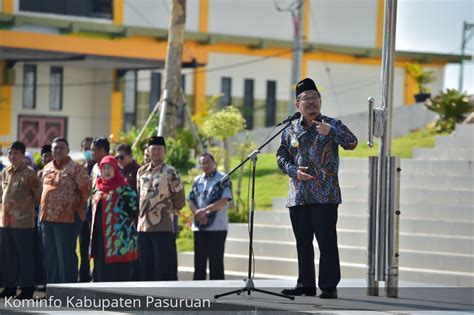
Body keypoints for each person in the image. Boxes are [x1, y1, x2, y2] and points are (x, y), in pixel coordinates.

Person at [276, 78, 358, 299]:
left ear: (320, 101)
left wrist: (331, 132)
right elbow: (281, 156)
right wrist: (293, 171)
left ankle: (329, 285)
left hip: (325, 195)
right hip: (299, 195)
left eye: (315, 98)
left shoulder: (332, 124)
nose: (311, 102)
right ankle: (305, 284)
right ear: (297, 105)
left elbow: (352, 142)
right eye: (306, 99)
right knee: (303, 241)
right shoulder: (290, 129)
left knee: (326, 241)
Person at [40, 137, 90, 283]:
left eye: (61, 147)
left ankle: (67, 290)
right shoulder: (47, 167)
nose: (58, 150)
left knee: (66, 256)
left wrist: (73, 206)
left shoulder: (76, 168)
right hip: (47, 219)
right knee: (50, 256)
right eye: (55, 148)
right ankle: (53, 289)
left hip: (68, 219)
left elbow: (86, 192)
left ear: (68, 150)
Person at [137, 136, 185, 281]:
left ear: (164, 152)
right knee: (145, 265)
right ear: (148, 151)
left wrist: (169, 210)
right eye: (153, 149)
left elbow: (180, 198)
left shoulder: (170, 172)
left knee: (163, 266)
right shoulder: (141, 172)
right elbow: (140, 194)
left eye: (159, 149)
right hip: (143, 226)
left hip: (163, 225)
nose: (156, 152)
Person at [0, 141, 41, 299]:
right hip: (5, 221)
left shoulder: (29, 173)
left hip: (23, 223)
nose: (12, 156)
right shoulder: (5, 172)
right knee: (7, 256)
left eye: (16, 153)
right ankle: (10, 287)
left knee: (24, 257)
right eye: (10, 153)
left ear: (23, 155)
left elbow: (38, 195)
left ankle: (27, 289)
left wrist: (27, 209)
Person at [90, 156, 139, 282]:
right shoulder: (97, 188)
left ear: (116, 169)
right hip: (101, 234)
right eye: (104, 168)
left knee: (118, 270)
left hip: (119, 236)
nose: (107, 171)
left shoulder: (123, 187)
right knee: (101, 266)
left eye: (110, 168)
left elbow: (134, 206)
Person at [188, 153, 232, 280]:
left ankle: (216, 293)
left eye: (207, 162)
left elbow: (224, 200)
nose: (205, 165)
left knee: (216, 264)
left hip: (217, 227)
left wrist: (205, 211)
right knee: (199, 263)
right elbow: (191, 200)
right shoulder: (197, 180)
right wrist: (197, 213)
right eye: (202, 163)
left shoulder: (223, 178)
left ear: (214, 163)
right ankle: (198, 294)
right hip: (199, 227)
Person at [78, 136, 95, 282]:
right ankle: (83, 275)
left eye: (91, 148)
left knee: (97, 248)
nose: (89, 151)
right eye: (86, 148)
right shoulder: (79, 169)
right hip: (82, 215)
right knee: (83, 248)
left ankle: (97, 275)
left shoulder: (102, 167)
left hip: (97, 215)